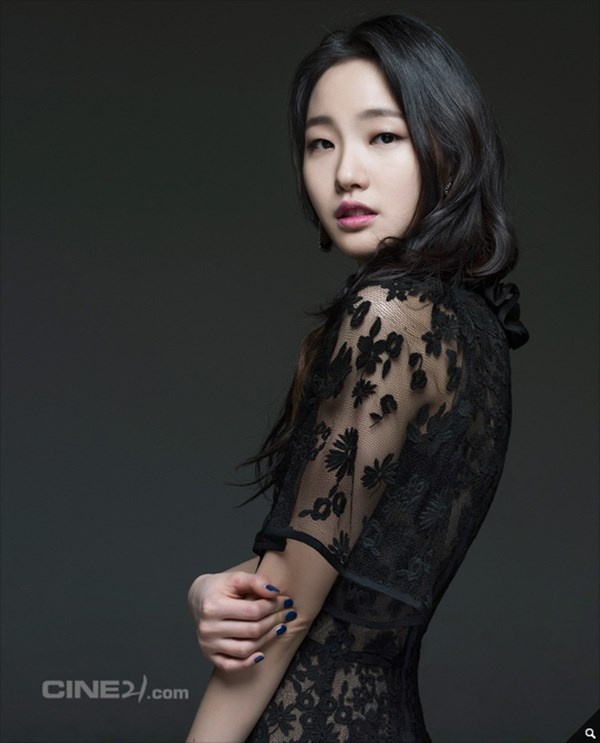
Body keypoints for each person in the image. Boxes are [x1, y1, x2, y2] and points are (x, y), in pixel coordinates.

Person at [186, 12, 529, 743]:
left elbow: (286, 611)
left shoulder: (390, 317)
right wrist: (207, 589)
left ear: (447, 147)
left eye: (383, 136)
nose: (345, 171)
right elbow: (338, 565)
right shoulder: (469, 324)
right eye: (321, 142)